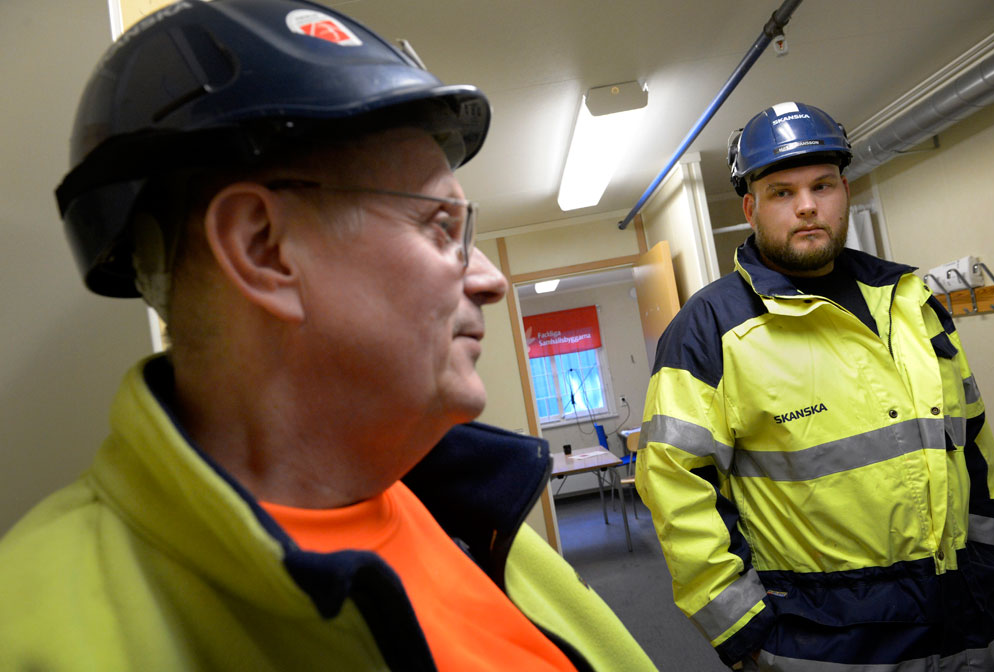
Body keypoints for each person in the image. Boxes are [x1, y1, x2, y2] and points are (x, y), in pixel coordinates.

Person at [0, 2, 658, 670]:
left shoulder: (469, 509)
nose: (490, 281)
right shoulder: (34, 633)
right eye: (439, 226)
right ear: (263, 249)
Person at [635, 101, 994, 670]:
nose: (808, 205)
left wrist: (992, 559)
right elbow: (674, 489)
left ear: (845, 191)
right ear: (751, 207)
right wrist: (743, 630)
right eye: (782, 192)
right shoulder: (708, 330)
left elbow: (976, 442)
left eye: (823, 185)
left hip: (971, 623)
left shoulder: (912, 302)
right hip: (825, 645)